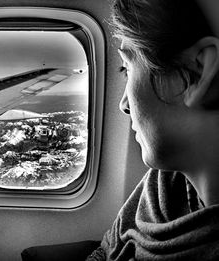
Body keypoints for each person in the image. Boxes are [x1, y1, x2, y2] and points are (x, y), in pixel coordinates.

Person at [86, 0, 219, 260]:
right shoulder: (164, 183)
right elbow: (105, 250)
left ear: (198, 71)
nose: (123, 104)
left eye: (127, 67)